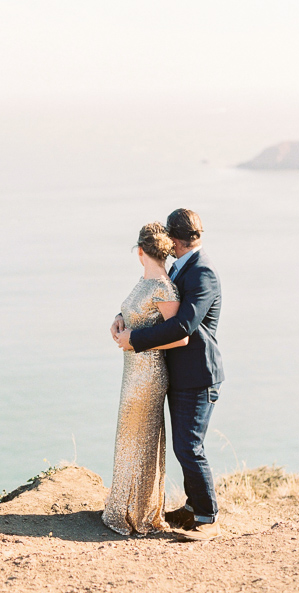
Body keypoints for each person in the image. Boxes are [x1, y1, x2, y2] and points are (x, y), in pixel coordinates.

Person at [113, 208, 224, 541]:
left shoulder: (202, 273)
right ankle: (193, 508)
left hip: (199, 375)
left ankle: (208, 518)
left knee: (189, 447)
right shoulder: (181, 269)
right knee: (181, 445)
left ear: (175, 239)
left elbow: (182, 325)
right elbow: (155, 299)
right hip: (179, 373)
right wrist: (124, 316)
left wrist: (135, 341)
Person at [102, 222, 189, 535]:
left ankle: (139, 513)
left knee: (142, 441)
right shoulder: (144, 281)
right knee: (129, 439)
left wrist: (135, 340)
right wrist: (119, 318)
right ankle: (123, 505)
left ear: (140, 251)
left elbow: (179, 339)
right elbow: (135, 311)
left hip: (149, 373)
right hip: (133, 373)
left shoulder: (164, 287)